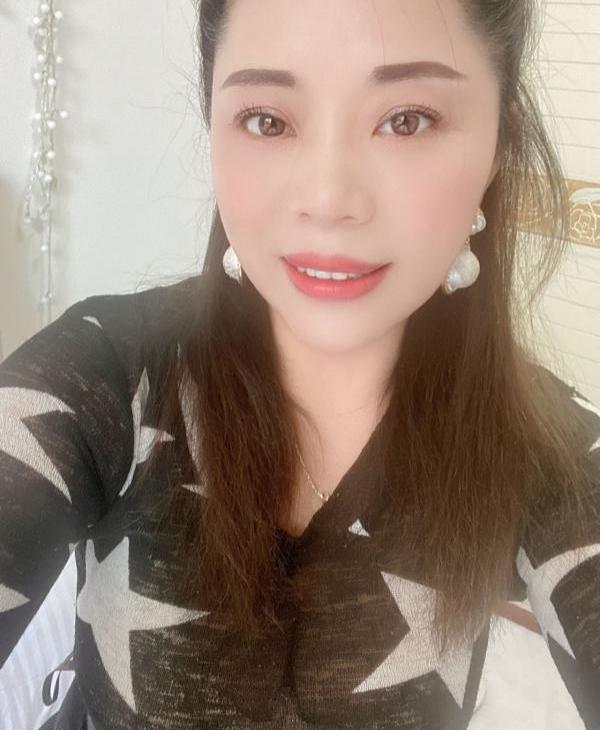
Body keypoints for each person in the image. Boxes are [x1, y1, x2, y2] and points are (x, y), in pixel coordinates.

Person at [1, 1, 599, 728]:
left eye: (406, 119)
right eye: (267, 120)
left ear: (500, 141)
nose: (327, 199)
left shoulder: (545, 453)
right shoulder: (104, 376)